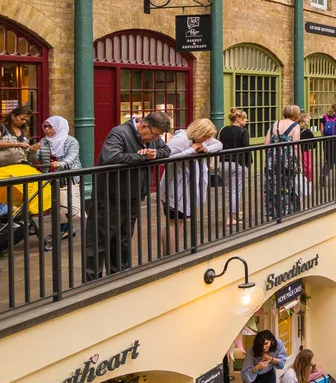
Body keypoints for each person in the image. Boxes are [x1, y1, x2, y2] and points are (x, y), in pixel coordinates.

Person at [85, 111, 171, 280]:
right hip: (110, 196)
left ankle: (118, 275)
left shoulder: (151, 138)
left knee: (123, 239)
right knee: (99, 241)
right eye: (154, 135)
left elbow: (165, 150)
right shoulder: (119, 133)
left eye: (158, 136)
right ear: (144, 126)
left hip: (132, 195)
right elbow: (111, 157)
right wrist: (142, 157)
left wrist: (153, 154)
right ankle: (92, 281)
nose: (155, 139)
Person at [158, 117, 223, 256]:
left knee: (179, 223)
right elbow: (165, 157)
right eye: (206, 136)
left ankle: (172, 253)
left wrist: (205, 149)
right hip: (174, 189)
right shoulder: (182, 139)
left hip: (186, 189)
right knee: (174, 223)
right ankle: (169, 256)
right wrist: (190, 151)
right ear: (200, 132)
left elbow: (219, 145)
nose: (208, 139)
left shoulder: (200, 140)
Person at [31, 115, 81, 239]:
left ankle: (65, 229)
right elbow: (34, 159)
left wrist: (61, 163)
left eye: (50, 127)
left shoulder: (71, 141)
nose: (46, 129)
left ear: (58, 127)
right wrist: (32, 151)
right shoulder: (44, 141)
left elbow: (72, 157)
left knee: (65, 204)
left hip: (67, 176)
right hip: (50, 176)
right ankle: (64, 229)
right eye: (45, 126)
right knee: (56, 205)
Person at [263, 105, 302, 219]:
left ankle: (273, 210)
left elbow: (266, 144)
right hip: (287, 160)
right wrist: (299, 162)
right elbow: (296, 147)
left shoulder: (275, 124)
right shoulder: (295, 126)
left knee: (273, 183)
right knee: (287, 183)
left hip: (273, 158)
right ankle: (285, 210)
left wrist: (271, 157)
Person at [218, 108, 251, 222]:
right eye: (244, 118)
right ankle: (230, 218)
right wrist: (248, 163)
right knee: (235, 191)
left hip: (223, 164)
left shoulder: (222, 130)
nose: (247, 120)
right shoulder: (243, 131)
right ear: (238, 119)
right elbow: (246, 148)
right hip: (237, 164)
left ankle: (235, 215)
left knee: (231, 191)